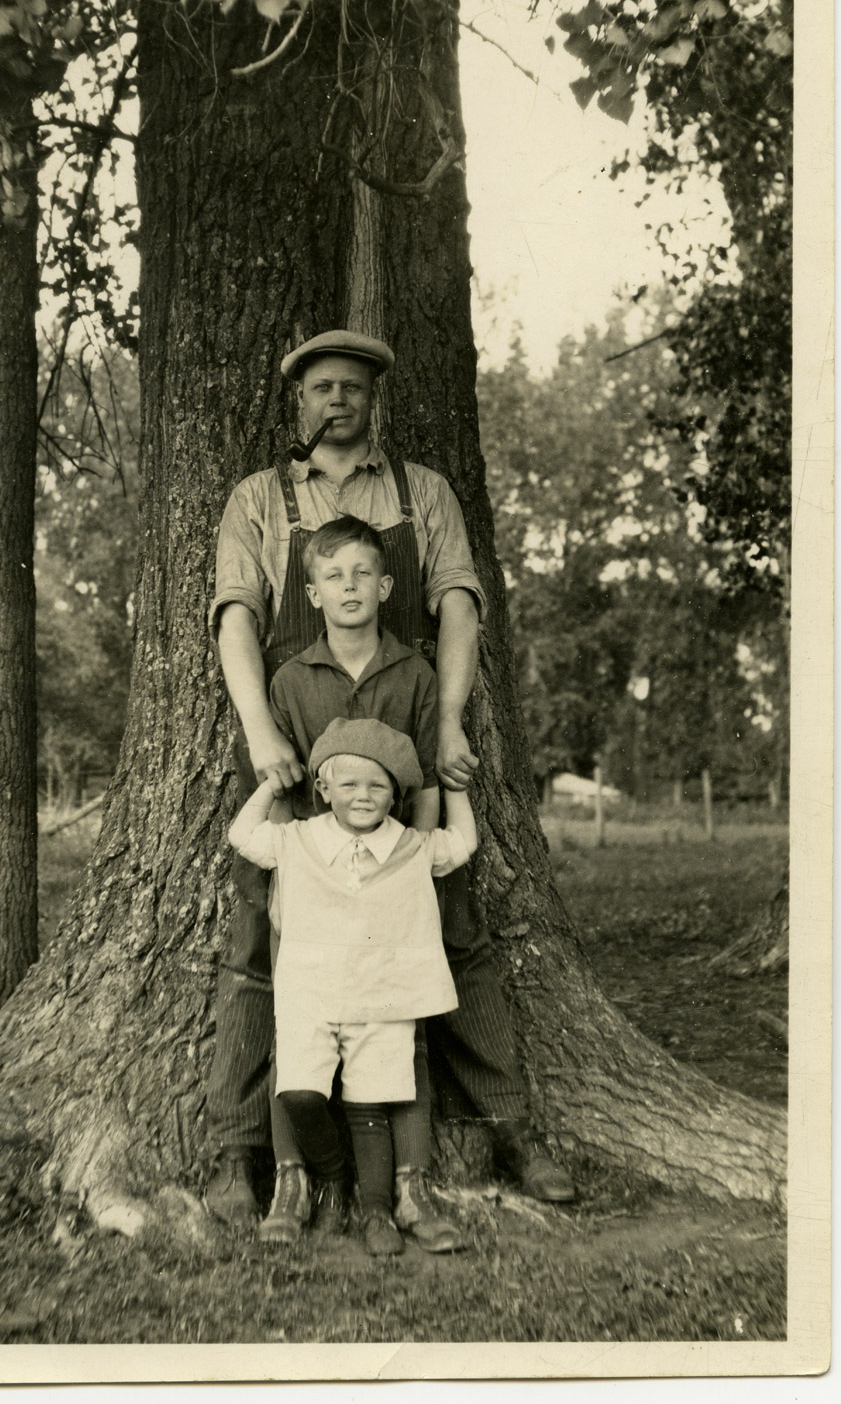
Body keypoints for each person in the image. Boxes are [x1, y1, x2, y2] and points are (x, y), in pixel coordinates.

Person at [205, 328, 573, 1228]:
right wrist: (263, 738)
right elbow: (237, 620)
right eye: (321, 387)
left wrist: (445, 723)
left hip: (405, 743)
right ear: (298, 401)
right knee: (260, 942)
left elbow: (458, 607)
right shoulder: (261, 498)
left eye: (355, 388)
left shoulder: (421, 491)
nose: (338, 400)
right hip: (298, 738)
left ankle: (511, 1126)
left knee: (453, 926)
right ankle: (239, 1150)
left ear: (375, 400)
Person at [258, 513, 463, 1250]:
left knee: (396, 1027)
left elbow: (432, 780)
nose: (348, 588)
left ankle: (407, 1189)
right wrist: (288, 883)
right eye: (332, 574)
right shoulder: (290, 677)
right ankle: (295, 1179)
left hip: (392, 879)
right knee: (299, 1018)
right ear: (311, 590)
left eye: (361, 574)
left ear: (386, 586)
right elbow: (276, 793)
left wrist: (422, 863)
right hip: (313, 877)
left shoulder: (412, 671)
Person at [229, 718, 478, 1257]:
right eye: (348, 784)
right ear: (322, 789)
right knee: (297, 1091)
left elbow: (463, 843)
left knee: (371, 1106)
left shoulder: (410, 847)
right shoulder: (296, 840)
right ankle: (331, 1176)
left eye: (378, 785)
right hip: (309, 997)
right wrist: (272, 783)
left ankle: (375, 1211)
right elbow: (242, 836)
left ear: (397, 793)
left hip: (381, 1000)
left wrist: (454, 786)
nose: (363, 796)